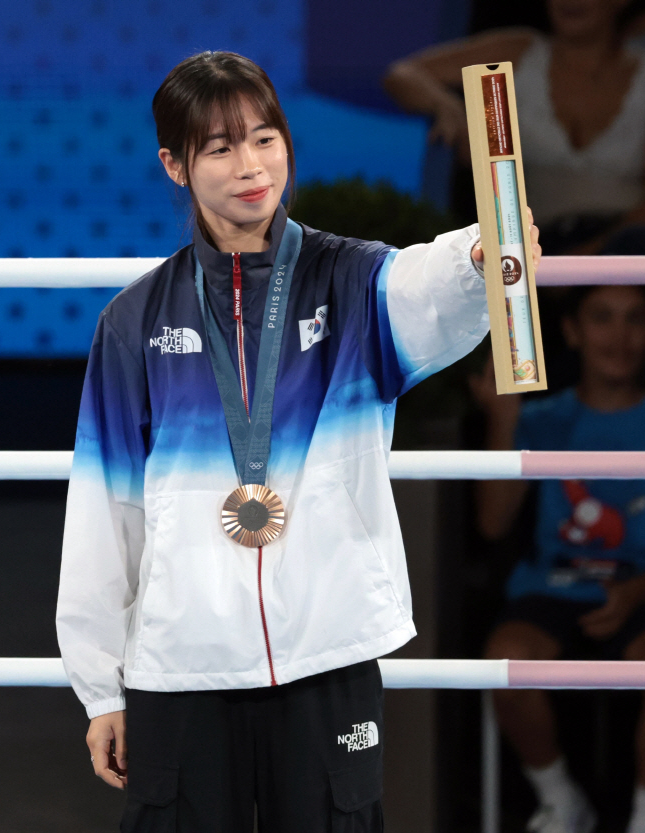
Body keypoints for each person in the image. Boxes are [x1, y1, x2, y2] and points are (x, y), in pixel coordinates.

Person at [55, 50, 540, 832]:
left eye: (266, 137)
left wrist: (482, 257)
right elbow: (102, 514)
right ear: (175, 166)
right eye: (220, 147)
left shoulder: (352, 283)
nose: (251, 166)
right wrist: (101, 689)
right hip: (181, 665)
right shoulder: (133, 322)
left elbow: (427, 285)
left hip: (327, 653)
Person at [471, 284, 645, 833]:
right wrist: (503, 418)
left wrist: (637, 592)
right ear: (571, 331)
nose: (619, 336)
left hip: (640, 590)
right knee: (507, 660)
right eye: (602, 318)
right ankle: (561, 801)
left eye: (635, 319)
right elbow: (493, 523)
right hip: (552, 587)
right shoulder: (542, 418)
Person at [383, 0, 645, 256]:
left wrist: (591, 254)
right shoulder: (519, 52)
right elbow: (403, 74)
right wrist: (448, 107)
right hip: (530, 244)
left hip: (625, 241)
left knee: (618, 291)